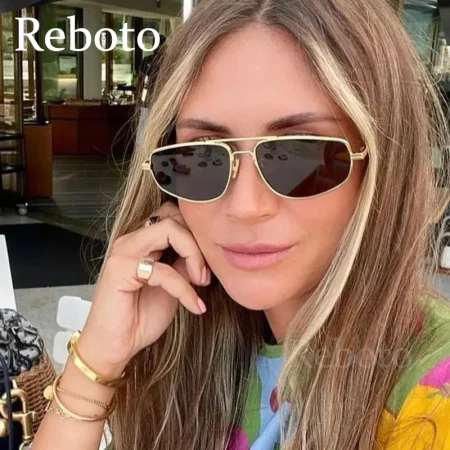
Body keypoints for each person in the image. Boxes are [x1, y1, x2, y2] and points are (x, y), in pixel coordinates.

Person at [32, 0, 450, 449]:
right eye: (203, 154)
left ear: (382, 167)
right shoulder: (185, 354)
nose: (245, 206)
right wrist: (96, 363)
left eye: (300, 153)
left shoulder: (432, 397)